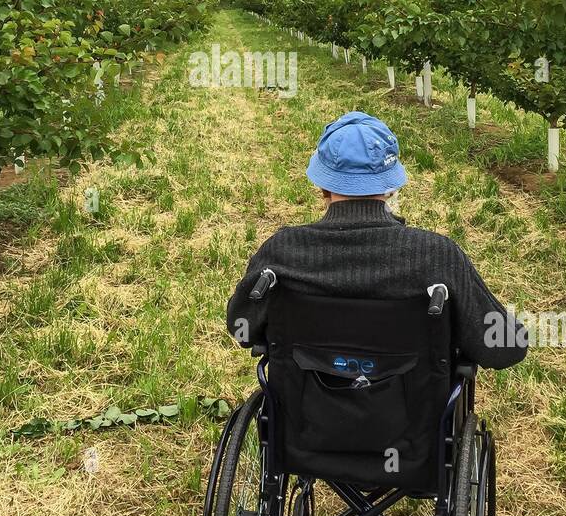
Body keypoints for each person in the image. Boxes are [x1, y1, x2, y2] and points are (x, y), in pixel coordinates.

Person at [226, 110, 527, 368]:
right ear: (390, 188)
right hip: (413, 429)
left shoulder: (282, 253)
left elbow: (242, 330)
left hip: (304, 428)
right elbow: (506, 348)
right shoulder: (436, 256)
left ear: (322, 186)